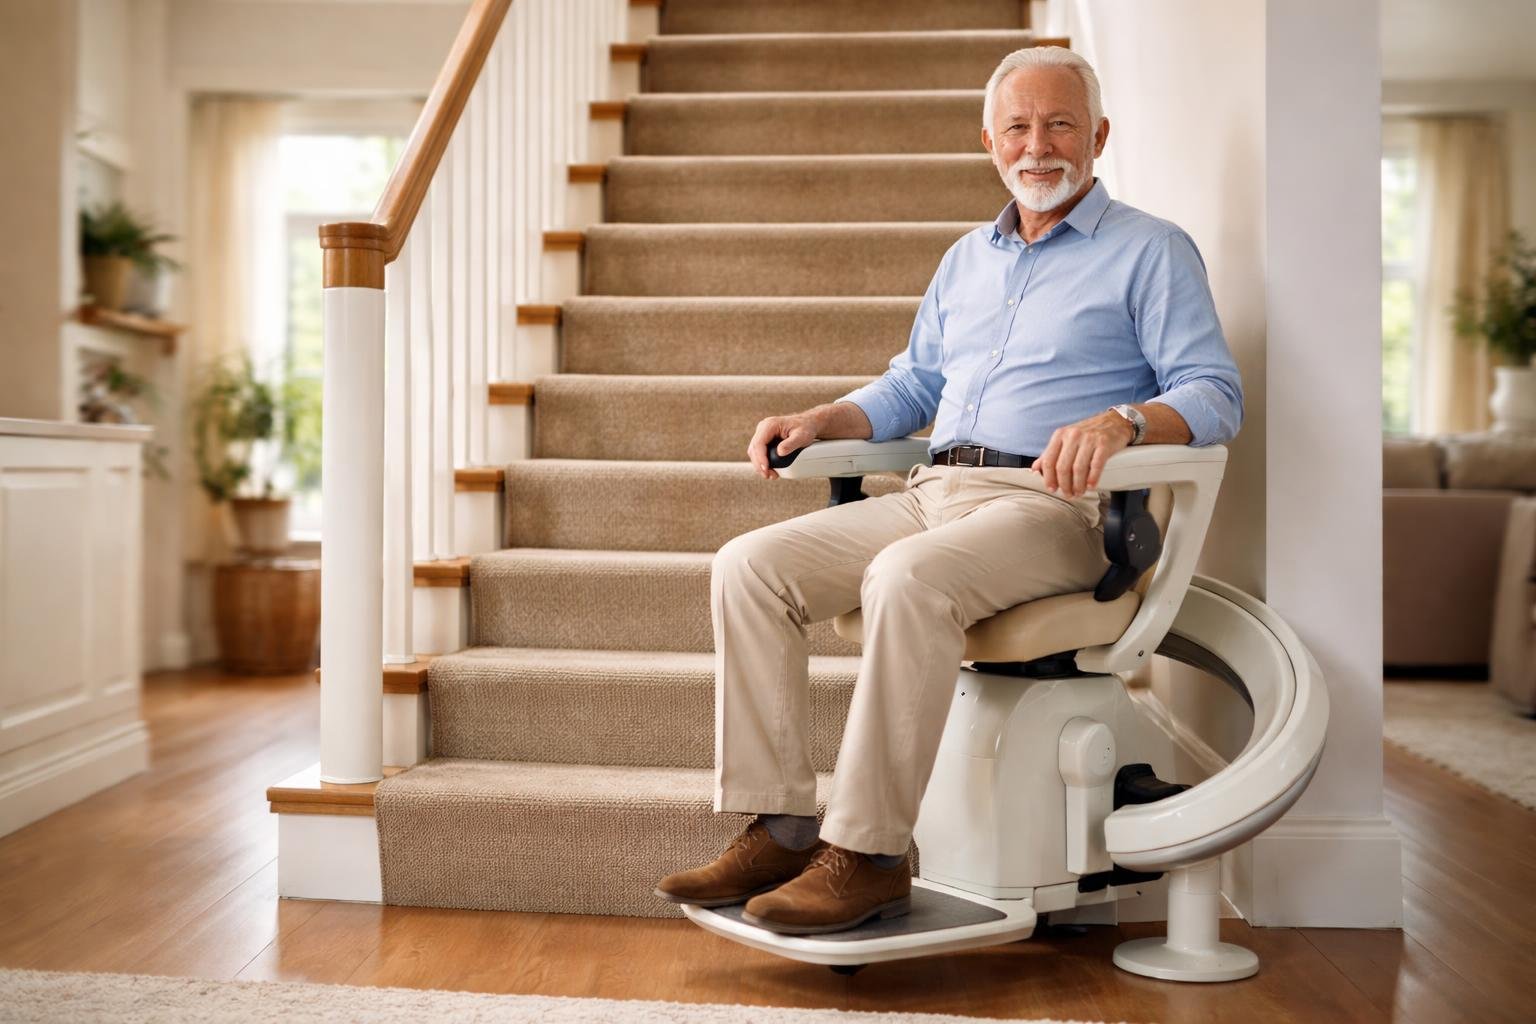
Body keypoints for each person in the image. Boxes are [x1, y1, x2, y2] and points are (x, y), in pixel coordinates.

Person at [654, 45, 1242, 936]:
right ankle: (781, 826)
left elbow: (1214, 392)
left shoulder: (1151, 250)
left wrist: (1122, 420)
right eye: (1018, 127)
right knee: (749, 566)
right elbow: (914, 385)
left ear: (1098, 137)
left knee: (907, 577)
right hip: (935, 489)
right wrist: (826, 417)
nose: (1037, 146)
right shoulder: (968, 258)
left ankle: (869, 855)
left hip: (1053, 507)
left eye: (1060, 125)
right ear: (989, 141)